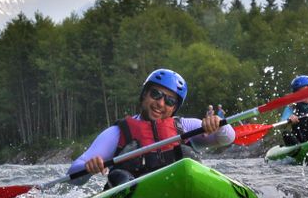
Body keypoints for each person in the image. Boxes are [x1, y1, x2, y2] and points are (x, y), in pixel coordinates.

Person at [69, 68, 234, 189]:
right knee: (121, 177)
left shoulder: (185, 126)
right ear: (144, 95)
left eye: (169, 101)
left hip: (180, 190)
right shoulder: (117, 133)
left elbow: (228, 138)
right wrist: (88, 168)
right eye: (156, 94)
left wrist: (218, 124)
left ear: (174, 107)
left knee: (187, 157)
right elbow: (73, 174)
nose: (160, 103)